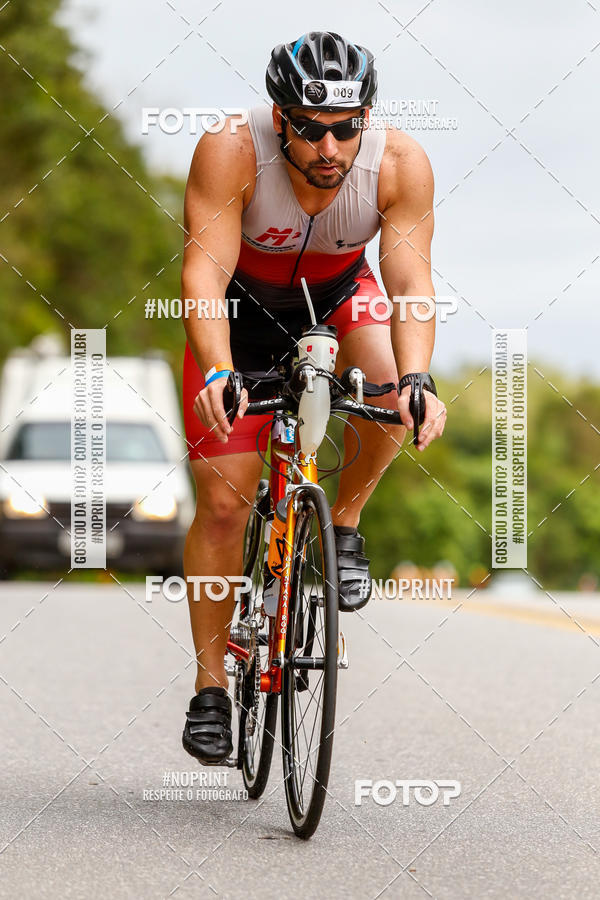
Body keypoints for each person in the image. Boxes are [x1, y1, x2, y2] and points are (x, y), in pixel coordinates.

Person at [180, 31, 447, 763]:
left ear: (367, 117)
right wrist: (214, 372)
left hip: (334, 297)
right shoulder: (230, 149)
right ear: (278, 118)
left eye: (347, 127)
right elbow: (202, 275)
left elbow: (412, 286)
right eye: (310, 128)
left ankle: (346, 523)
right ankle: (209, 688)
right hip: (236, 314)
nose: (331, 148)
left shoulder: (398, 164)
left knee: (395, 396)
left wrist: (418, 376)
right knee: (227, 504)